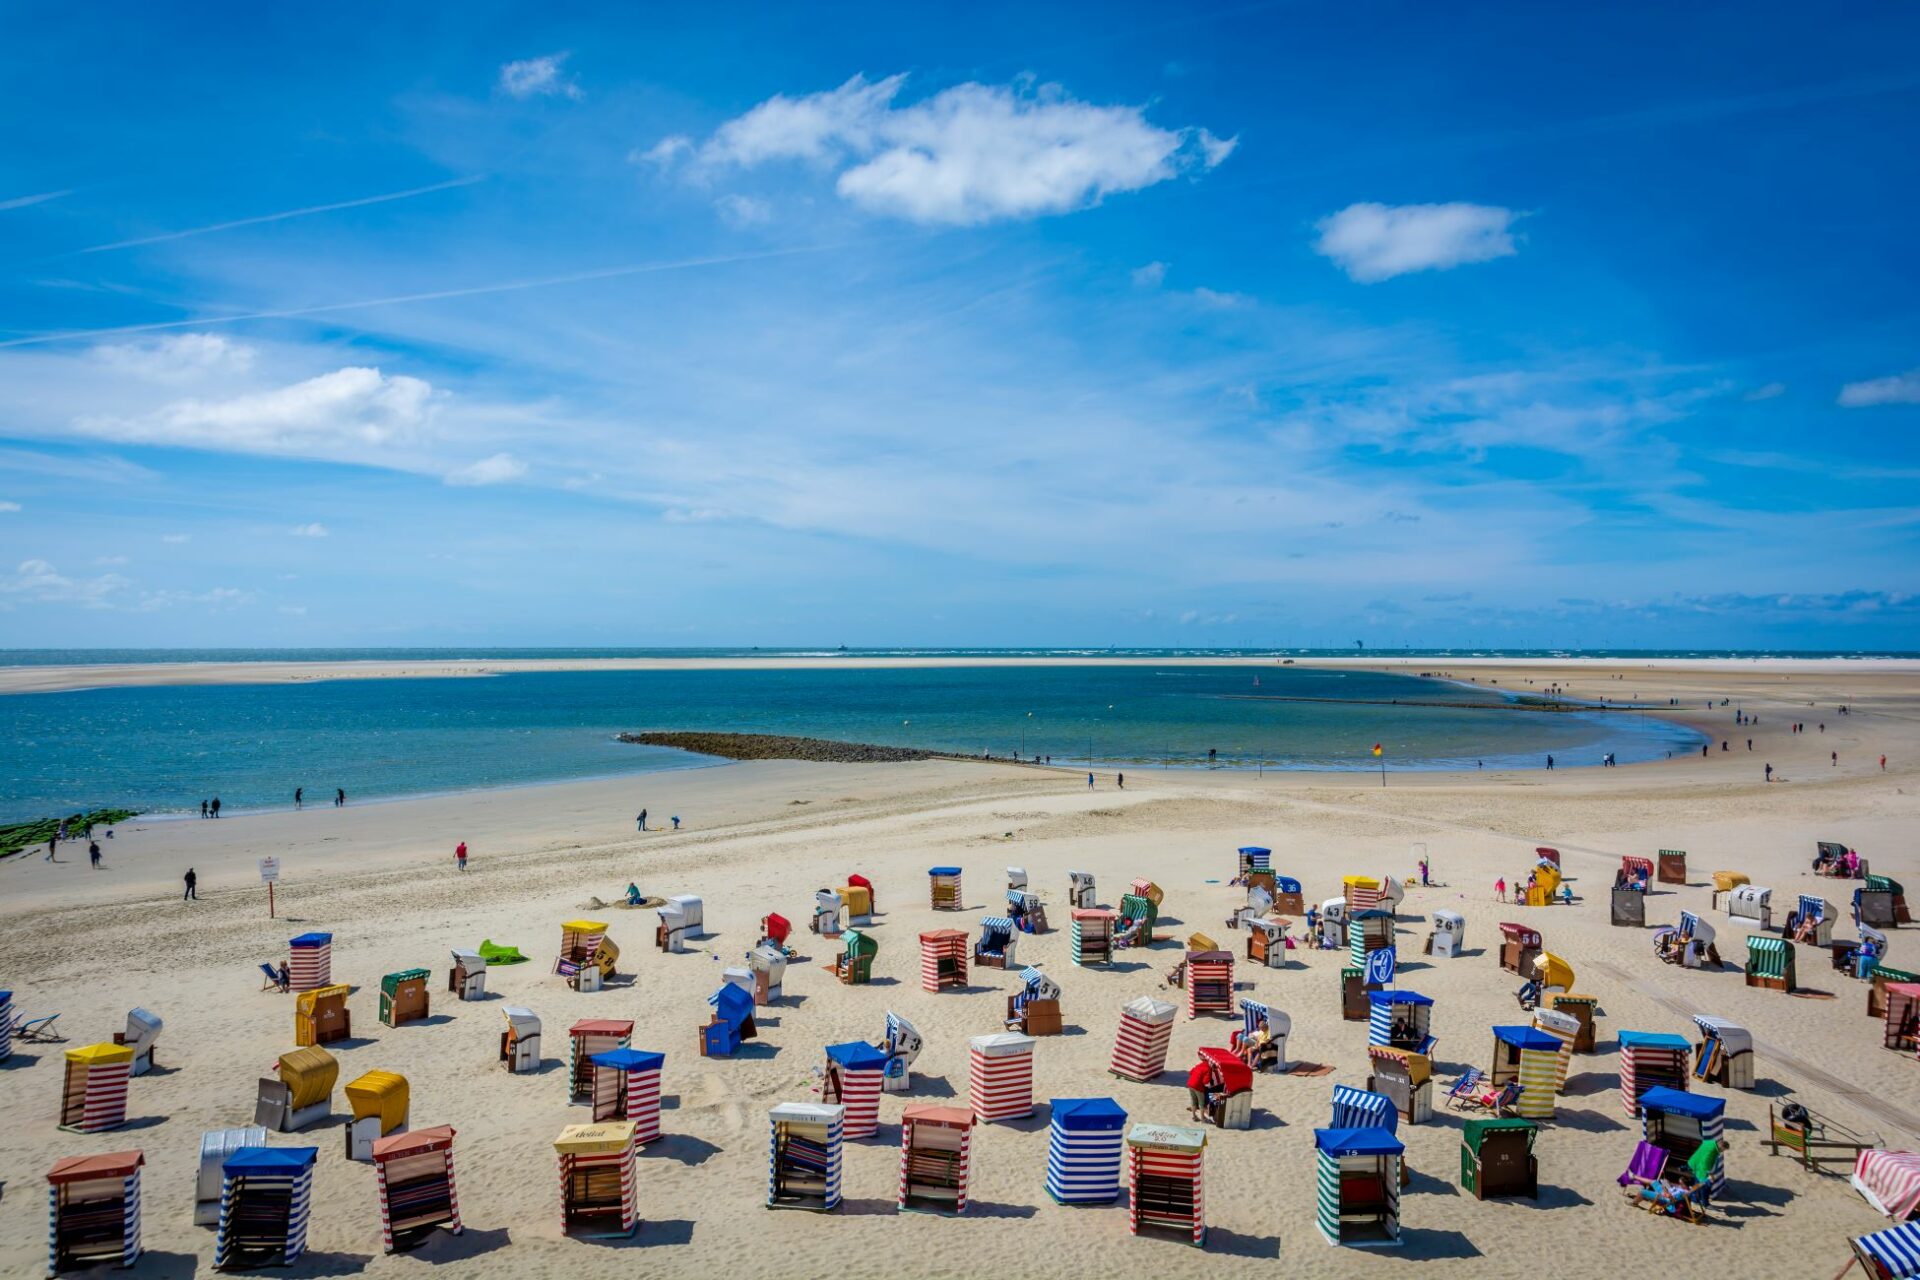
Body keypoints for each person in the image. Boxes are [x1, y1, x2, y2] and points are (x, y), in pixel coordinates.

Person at [1186, 1057, 1215, 1122]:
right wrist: (1210, 1083)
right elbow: (1205, 1082)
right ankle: (1202, 1118)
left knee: (1193, 1101)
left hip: (1190, 1084)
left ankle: (1194, 1116)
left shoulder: (1199, 1065)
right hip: (1198, 1087)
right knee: (1201, 1103)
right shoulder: (1208, 1069)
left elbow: (1191, 1072)